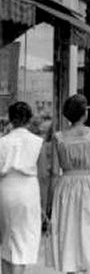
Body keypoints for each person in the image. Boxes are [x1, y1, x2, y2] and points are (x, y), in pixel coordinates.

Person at [44, 94, 90, 272]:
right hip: (89, 184)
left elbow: (54, 172)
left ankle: (71, 268)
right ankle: (84, 267)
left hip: (66, 184)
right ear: (84, 113)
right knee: (88, 228)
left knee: (67, 229)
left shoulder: (58, 137)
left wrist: (49, 201)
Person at [0, 102, 43, 274]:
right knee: (23, 242)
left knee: (6, 240)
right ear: (29, 119)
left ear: (10, 119)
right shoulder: (37, 142)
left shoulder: (2, 142)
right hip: (28, 190)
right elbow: (44, 174)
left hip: (5, 188)